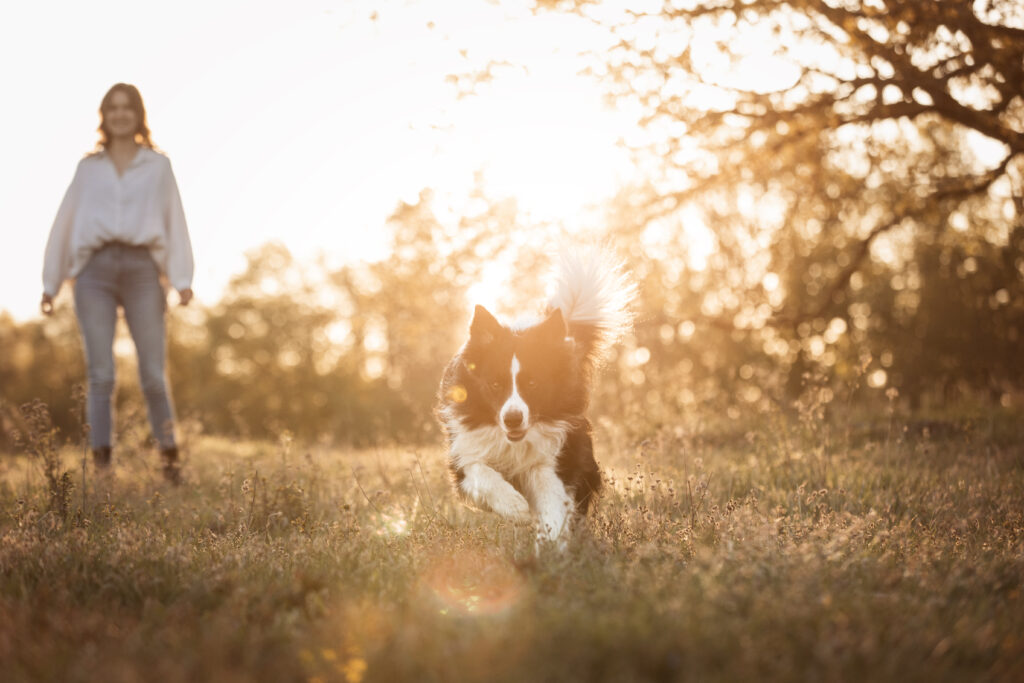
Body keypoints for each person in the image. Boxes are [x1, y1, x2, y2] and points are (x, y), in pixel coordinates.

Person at [41, 83, 194, 483]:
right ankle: (103, 468)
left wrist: (182, 279)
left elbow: (174, 219)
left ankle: (170, 462)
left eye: (128, 107)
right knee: (101, 374)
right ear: (104, 116)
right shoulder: (88, 169)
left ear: (138, 114)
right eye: (113, 108)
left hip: (144, 270)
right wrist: (51, 282)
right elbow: (65, 223)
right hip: (94, 271)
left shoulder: (158, 166)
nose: (121, 114)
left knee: (153, 374)